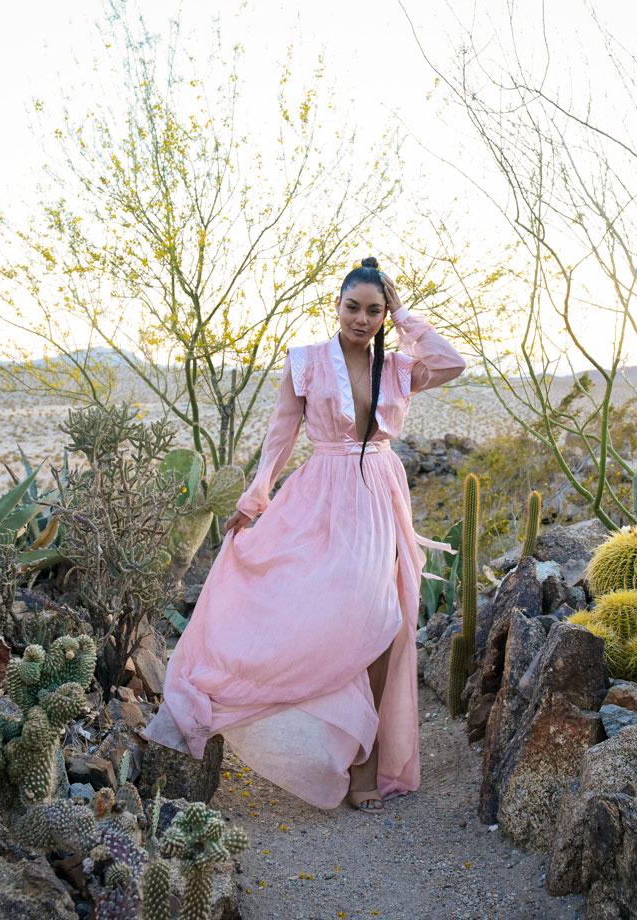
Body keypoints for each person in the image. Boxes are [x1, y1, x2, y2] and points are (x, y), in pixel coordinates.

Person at [139, 256, 467, 813]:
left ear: (385, 313)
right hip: (322, 497)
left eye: (374, 310)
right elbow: (280, 436)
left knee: (384, 622)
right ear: (336, 307)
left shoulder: (398, 368)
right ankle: (272, 712)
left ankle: (364, 768)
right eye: (352, 308)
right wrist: (256, 494)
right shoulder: (306, 362)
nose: (361, 319)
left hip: (381, 497)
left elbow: (452, 362)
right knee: (331, 616)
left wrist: (406, 315)